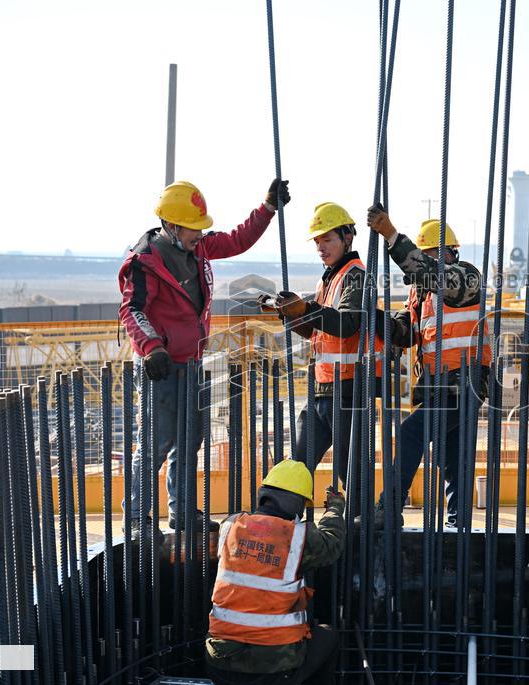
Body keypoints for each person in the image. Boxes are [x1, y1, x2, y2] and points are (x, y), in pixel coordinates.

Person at [119, 178, 290, 531]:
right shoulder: (144, 261)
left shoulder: (196, 248)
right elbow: (131, 310)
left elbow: (237, 239)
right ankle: (137, 518)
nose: (200, 235)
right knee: (156, 442)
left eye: (201, 228)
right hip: (161, 366)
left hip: (193, 361)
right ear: (171, 225)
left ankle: (183, 513)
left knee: (189, 441)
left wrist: (267, 208)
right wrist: (152, 348)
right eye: (193, 229)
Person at [367, 203, 491, 527]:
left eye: (433, 256)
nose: (427, 263)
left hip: (465, 383)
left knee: (411, 434)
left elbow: (429, 273)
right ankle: (458, 524)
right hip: (441, 387)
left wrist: (392, 236)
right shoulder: (422, 294)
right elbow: (406, 332)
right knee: (454, 460)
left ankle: (388, 510)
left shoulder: (466, 279)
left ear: (450, 253)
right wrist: (379, 320)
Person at [262, 203, 382, 489]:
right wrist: (288, 313)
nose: (321, 247)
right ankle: (280, 524)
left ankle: (360, 527)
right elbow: (317, 331)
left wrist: (305, 307)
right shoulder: (328, 279)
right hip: (323, 389)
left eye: (327, 239)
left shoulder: (357, 276)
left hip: (348, 390)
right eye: (317, 242)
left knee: (350, 473)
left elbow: (347, 324)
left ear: (347, 238)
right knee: (296, 466)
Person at [204, 459, 345, 685]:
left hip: (219, 664)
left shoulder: (229, 525)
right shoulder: (297, 536)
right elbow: (332, 544)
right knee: (328, 636)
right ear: (297, 503)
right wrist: (335, 507)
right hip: (273, 671)